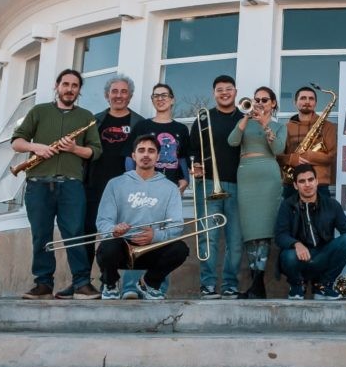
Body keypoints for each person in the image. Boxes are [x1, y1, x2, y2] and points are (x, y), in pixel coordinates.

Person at [11, 68, 103, 300]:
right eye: (66, 84)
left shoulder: (86, 117)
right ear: (57, 86)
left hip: (71, 185)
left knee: (74, 233)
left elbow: (96, 152)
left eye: (74, 86)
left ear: (79, 90)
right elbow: (17, 142)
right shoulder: (39, 111)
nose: (69, 89)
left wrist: (74, 148)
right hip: (38, 184)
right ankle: (43, 284)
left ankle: (81, 283)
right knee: (41, 235)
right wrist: (37, 148)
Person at [95, 134, 188, 300]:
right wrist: (114, 230)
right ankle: (110, 284)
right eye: (141, 150)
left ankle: (148, 283)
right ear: (133, 156)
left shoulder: (170, 188)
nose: (146, 155)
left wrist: (155, 235)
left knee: (180, 249)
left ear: (158, 157)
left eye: (151, 151)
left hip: (152, 247)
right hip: (122, 246)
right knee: (106, 248)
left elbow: (177, 225)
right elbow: (103, 221)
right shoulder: (115, 184)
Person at [79, 74, 145, 299]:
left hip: (126, 190)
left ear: (130, 95)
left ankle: (117, 283)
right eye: (114, 92)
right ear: (107, 95)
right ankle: (82, 284)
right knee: (87, 234)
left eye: (123, 91)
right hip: (94, 186)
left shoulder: (140, 123)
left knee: (124, 236)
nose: (119, 96)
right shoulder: (94, 121)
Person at [228, 85, 287, 299]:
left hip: (268, 176)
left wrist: (265, 125)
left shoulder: (280, 126)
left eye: (264, 99)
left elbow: (278, 150)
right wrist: (245, 118)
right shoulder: (245, 122)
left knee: (264, 233)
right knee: (250, 233)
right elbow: (232, 141)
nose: (260, 103)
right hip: (246, 176)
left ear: (273, 104)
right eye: (256, 99)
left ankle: (257, 283)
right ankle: (256, 284)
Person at [275, 164, 346, 300]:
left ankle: (324, 286)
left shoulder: (332, 205)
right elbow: (280, 235)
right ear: (295, 185)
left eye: (311, 180)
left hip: (323, 255)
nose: (307, 184)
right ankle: (297, 286)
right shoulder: (287, 205)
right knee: (287, 256)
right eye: (302, 181)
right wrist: (296, 244)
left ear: (317, 181)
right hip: (299, 258)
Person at [189, 75, 243, 299]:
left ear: (235, 91)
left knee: (235, 239)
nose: (224, 93)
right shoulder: (203, 118)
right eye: (219, 89)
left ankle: (230, 284)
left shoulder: (244, 118)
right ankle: (208, 284)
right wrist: (196, 166)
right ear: (214, 93)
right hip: (209, 184)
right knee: (207, 237)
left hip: (239, 185)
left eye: (228, 89)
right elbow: (192, 150)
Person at [130, 82, 191, 193]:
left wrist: (185, 179)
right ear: (152, 100)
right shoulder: (142, 126)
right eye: (156, 96)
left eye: (164, 95)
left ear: (172, 100)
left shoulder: (181, 129)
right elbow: (130, 156)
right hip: (144, 185)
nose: (160, 99)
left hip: (172, 186)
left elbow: (182, 157)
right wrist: (132, 180)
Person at [278, 85, 337, 200]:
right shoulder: (285, 128)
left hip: (320, 185)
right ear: (295, 102)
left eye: (311, 99)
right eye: (303, 98)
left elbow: (331, 156)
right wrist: (291, 159)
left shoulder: (328, 126)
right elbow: (277, 156)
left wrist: (309, 155)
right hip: (292, 184)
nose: (307, 101)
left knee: (322, 218)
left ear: (315, 103)